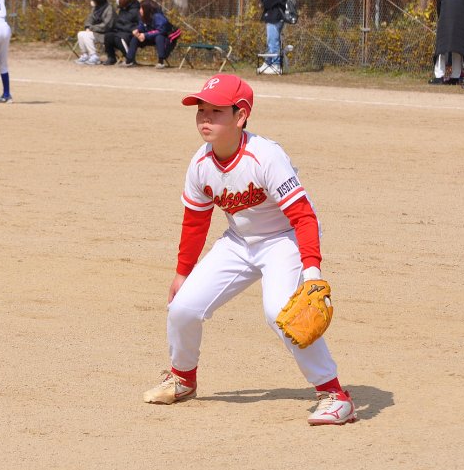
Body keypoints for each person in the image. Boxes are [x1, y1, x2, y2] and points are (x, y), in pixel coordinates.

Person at [142, 74, 358, 426]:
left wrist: (312, 272)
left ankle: (335, 395)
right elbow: (195, 222)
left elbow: (303, 216)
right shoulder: (200, 164)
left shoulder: (265, 156)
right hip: (239, 241)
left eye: (216, 111)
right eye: (201, 110)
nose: (205, 118)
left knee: (282, 313)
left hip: (284, 239)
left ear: (240, 116)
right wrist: (182, 273)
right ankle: (183, 379)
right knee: (182, 308)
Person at [431, 0, 464, 85]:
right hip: (461, 27)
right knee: (458, 51)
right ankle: (455, 76)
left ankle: (439, 76)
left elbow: (439, 10)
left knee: (441, 51)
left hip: (444, 26)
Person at [125, 0, 181, 68]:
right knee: (135, 38)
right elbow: (142, 26)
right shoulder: (143, 16)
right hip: (150, 37)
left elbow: (161, 31)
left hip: (164, 38)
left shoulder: (158, 17)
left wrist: (145, 35)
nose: (140, 10)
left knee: (159, 37)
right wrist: (137, 30)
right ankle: (129, 60)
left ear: (146, 9)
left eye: (141, 8)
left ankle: (161, 62)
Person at [259, 0, 291, 75]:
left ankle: (276, 64)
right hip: (274, 16)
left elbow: (267, 2)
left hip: (275, 16)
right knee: (270, 41)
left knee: (273, 41)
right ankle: (268, 63)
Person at [74, 0, 114, 65]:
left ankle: (94, 56)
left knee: (87, 35)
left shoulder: (109, 8)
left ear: (98, 0)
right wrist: (87, 27)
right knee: (80, 34)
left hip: (105, 34)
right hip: (95, 32)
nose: (91, 2)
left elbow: (107, 25)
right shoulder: (95, 9)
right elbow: (89, 19)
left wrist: (91, 28)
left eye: (93, 0)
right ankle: (85, 55)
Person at [103, 0, 140, 65]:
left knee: (119, 38)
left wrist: (127, 28)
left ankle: (130, 59)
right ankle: (111, 57)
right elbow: (119, 22)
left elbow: (139, 25)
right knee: (108, 36)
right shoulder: (122, 9)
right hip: (121, 31)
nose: (118, 0)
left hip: (130, 33)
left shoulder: (136, 10)